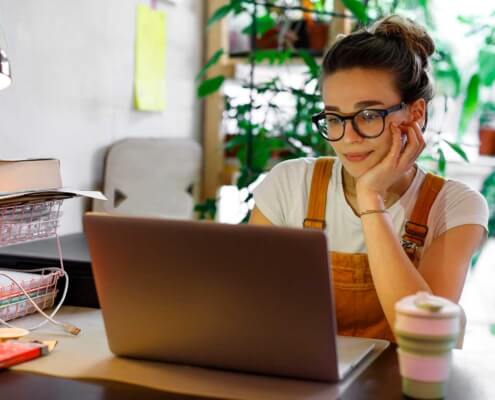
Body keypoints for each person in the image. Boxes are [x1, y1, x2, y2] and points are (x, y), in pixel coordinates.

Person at [249, 15, 489, 342]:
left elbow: (425, 335)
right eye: (335, 118)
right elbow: (251, 306)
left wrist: (370, 199)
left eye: (368, 115)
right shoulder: (290, 183)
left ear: (415, 113)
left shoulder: (455, 207)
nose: (348, 137)